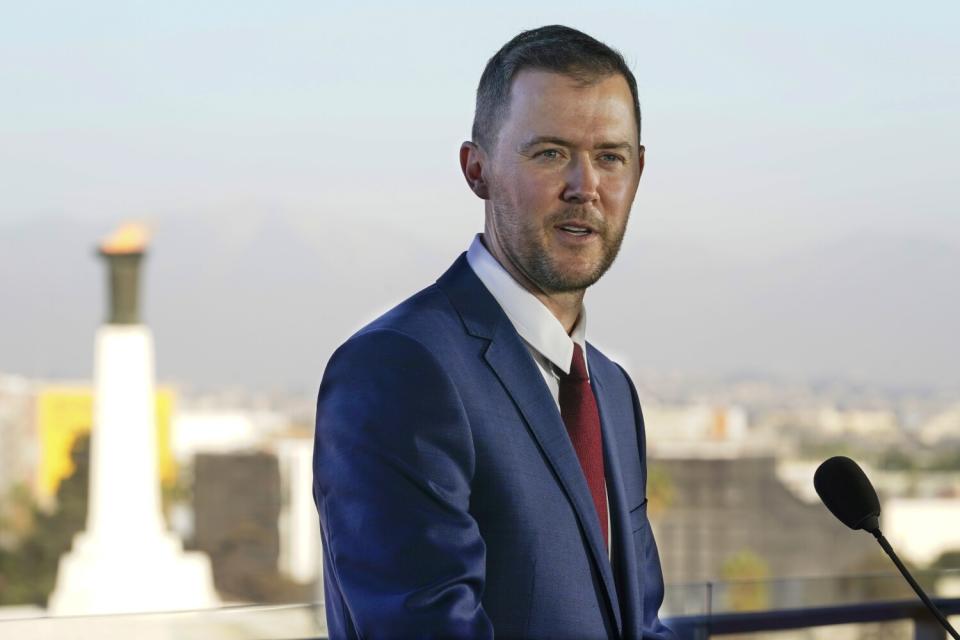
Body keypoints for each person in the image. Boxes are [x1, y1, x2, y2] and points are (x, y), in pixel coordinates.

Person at [313, 25, 675, 639]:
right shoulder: (399, 368)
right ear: (475, 169)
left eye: (609, 156)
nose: (584, 187)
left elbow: (637, 623)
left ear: (637, 173)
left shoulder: (611, 390)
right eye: (550, 153)